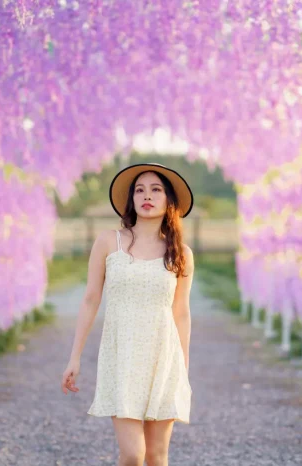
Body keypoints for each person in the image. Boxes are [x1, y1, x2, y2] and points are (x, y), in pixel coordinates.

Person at [61, 162, 195, 466]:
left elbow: (182, 313)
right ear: (131, 200)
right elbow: (90, 299)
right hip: (122, 358)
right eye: (139, 190)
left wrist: (183, 370)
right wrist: (74, 357)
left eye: (156, 189)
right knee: (134, 455)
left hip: (164, 358)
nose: (146, 195)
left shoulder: (181, 253)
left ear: (169, 200)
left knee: (157, 456)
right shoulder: (110, 241)